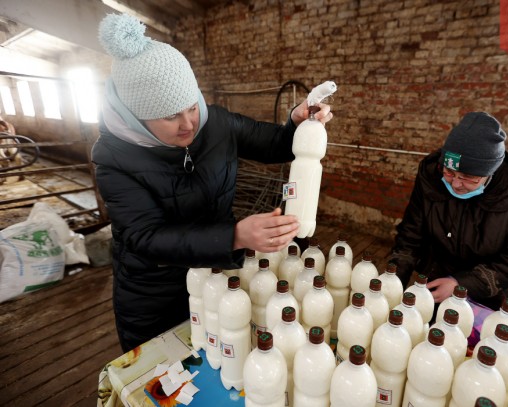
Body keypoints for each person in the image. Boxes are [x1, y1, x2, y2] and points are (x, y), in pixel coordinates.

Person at [92, 13, 333, 352]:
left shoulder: (215, 123)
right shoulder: (114, 158)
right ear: (136, 117)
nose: (188, 123)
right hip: (155, 296)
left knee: (218, 360)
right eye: (170, 115)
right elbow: (144, 237)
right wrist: (234, 235)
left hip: (216, 278)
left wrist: (296, 123)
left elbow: (275, 143)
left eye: (191, 106)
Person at [391, 112, 508, 312]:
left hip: (488, 294)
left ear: (491, 173)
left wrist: (461, 284)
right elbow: (410, 235)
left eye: (468, 178)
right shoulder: (431, 176)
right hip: (435, 280)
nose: (455, 184)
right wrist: (392, 281)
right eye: (449, 172)